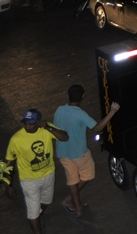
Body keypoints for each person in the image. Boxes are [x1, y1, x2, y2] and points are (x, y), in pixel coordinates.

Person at [53, 85, 120, 216]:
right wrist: (112, 111)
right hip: (79, 152)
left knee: (72, 179)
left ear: (68, 96)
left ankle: (76, 206)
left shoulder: (59, 110)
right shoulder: (80, 114)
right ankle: (70, 201)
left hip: (63, 151)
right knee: (88, 174)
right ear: (83, 96)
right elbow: (98, 127)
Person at [2, 109, 69, 234]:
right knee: (33, 213)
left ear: (39, 122)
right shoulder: (16, 139)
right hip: (29, 180)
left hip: (49, 174)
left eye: (31, 123)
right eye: (26, 123)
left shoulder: (46, 130)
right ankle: (35, 221)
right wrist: (8, 185)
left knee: (47, 201)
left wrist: (48, 127)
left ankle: (38, 216)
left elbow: (64, 137)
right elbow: (9, 162)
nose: (28, 126)